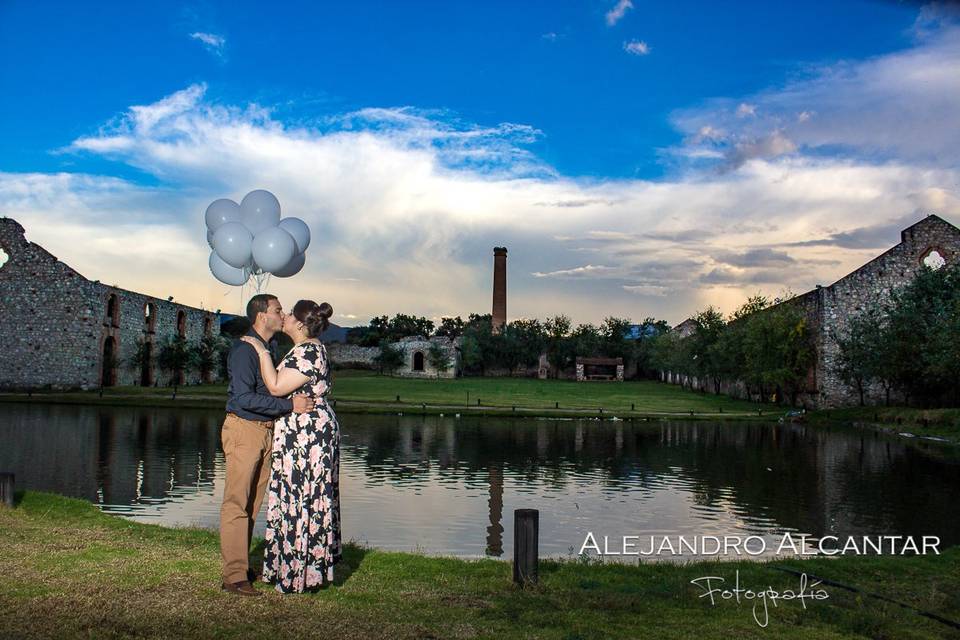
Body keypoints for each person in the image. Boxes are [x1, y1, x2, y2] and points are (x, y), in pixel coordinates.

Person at [241, 299, 342, 593]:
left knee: (302, 497)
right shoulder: (303, 349)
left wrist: (260, 350)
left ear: (299, 323)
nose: (282, 316)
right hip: (301, 432)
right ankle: (290, 565)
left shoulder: (309, 351)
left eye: (287, 313)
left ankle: (301, 572)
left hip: (308, 436)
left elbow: (275, 387)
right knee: (295, 495)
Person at [220, 294, 315, 597]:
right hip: (244, 430)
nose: (282, 313)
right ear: (262, 316)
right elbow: (242, 399)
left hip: (264, 432)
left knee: (252, 504)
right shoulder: (244, 350)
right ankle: (234, 576)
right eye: (277, 310)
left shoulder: (266, 348)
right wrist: (289, 405)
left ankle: (243, 565)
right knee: (237, 503)